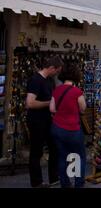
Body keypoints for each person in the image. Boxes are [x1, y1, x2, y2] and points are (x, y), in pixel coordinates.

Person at [26, 56, 63, 188]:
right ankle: (37, 183)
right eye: (57, 71)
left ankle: (54, 178)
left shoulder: (50, 80)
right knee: (36, 152)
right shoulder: (36, 80)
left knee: (54, 148)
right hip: (36, 121)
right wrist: (50, 103)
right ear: (52, 68)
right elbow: (30, 103)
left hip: (48, 120)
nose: (57, 73)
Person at [50, 64, 87, 188]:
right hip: (73, 130)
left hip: (57, 129)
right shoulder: (77, 91)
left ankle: (65, 184)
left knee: (62, 156)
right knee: (78, 157)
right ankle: (78, 184)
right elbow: (83, 109)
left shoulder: (56, 90)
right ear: (76, 75)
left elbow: (52, 108)